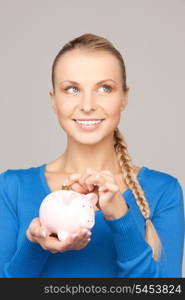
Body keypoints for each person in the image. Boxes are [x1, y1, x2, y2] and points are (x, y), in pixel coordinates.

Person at [0, 33, 184, 278]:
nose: (87, 105)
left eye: (105, 88)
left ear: (124, 98)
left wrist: (121, 217)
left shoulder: (164, 191)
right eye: (72, 89)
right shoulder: (12, 188)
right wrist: (34, 245)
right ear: (54, 101)